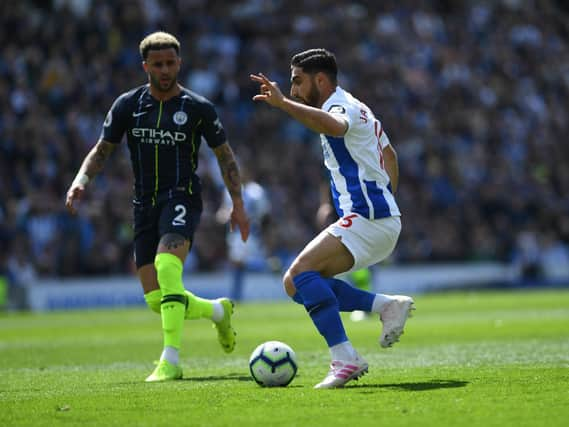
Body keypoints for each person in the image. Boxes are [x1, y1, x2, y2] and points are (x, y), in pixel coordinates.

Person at [65, 32, 250, 382]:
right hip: (143, 205)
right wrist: (80, 181)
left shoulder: (198, 108)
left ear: (179, 63)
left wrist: (237, 204)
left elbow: (225, 156)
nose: (165, 70)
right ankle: (217, 311)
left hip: (181, 197)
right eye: (158, 64)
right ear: (145, 66)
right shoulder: (128, 105)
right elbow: (102, 149)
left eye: (171, 63)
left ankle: (171, 360)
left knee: (168, 268)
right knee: (156, 299)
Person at [250, 48, 415, 389]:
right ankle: (385, 306)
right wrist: (387, 202)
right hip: (378, 217)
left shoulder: (339, 107)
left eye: (297, 81)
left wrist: (283, 104)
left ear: (320, 80)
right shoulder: (362, 108)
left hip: (370, 216)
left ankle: (345, 358)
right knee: (298, 284)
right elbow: (390, 155)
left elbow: (336, 127)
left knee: (298, 274)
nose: (293, 89)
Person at [216, 170, 271, 301]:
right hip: (235, 234)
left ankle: (242, 294)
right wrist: (223, 216)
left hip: (252, 234)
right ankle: (238, 295)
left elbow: (265, 215)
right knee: (238, 264)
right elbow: (223, 211)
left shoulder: (256, 191)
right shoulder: (229, 191)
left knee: (243, 263)